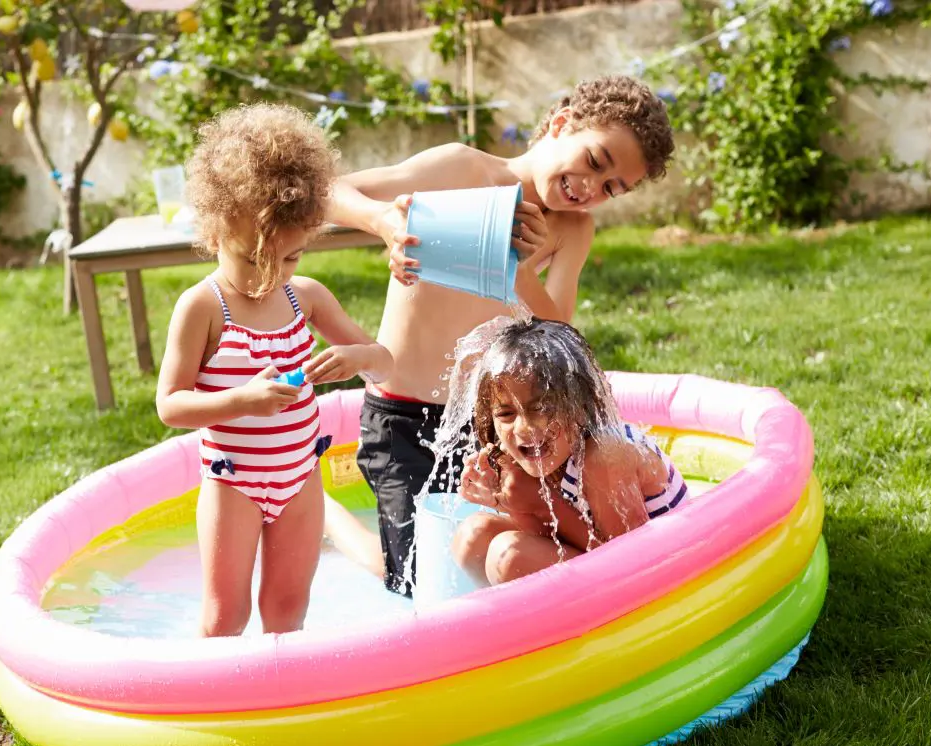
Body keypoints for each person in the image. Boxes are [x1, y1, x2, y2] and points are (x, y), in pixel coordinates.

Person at [324, 75, 675, 594]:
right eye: (595, 162)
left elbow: (562, 340)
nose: (590, 188)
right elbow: (327, 189)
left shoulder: (571, 230)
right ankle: (326, 516)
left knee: (486, 566)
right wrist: (382, 221)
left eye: (610, 189)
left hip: (498, 424)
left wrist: (519, 272)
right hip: (401, 418)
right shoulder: (462, 170)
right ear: (561, 124)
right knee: (418, 584)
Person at [156, 104, 394, 637]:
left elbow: (384, 360)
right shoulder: (203, 308)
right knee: (226, 616)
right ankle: (213, 709)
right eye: (251, 259)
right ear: (214, 233)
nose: (269, 276)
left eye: (289, 259)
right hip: (234, 482)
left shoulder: (306, 298)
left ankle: (281, 708)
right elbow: (169, 405)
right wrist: (241, 400)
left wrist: (357, 360)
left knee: (288, 610)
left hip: (300, 478)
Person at [451, 315, 689, 584]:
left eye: (541, 409)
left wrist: (541, 502)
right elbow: (546, 538)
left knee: (510, 557)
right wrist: (511, 501)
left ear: (579, 406)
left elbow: (630, 567)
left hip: (668, 574)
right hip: (605, 563)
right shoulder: (531, 452)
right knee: (473, 537)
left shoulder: (605, 456)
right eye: (506, 413)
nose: (523, 428)